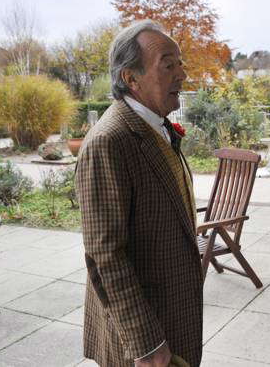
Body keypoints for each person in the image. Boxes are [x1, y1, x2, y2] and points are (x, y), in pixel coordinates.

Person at [76, 20, 202, 367]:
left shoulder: (155, 126)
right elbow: (105, 256)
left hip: (173, 315)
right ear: (131, 79)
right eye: (168, 64)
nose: (182, 74)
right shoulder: (110, 141)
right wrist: (146, 345)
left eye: (180, 63)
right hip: (144, 339)